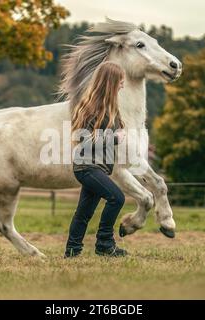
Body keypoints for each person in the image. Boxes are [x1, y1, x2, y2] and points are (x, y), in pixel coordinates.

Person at [65, 61, 128, 258]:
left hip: (98, 167)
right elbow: (83, 139)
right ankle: (104, 244)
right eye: (120, 81)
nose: (122, 85)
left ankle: (72, 251)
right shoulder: (90, 107)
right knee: (117, 198)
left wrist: (118, 131)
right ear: (111, 82)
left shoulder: (111, 108)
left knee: (84, 213)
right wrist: (114, 138)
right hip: (86, 167)